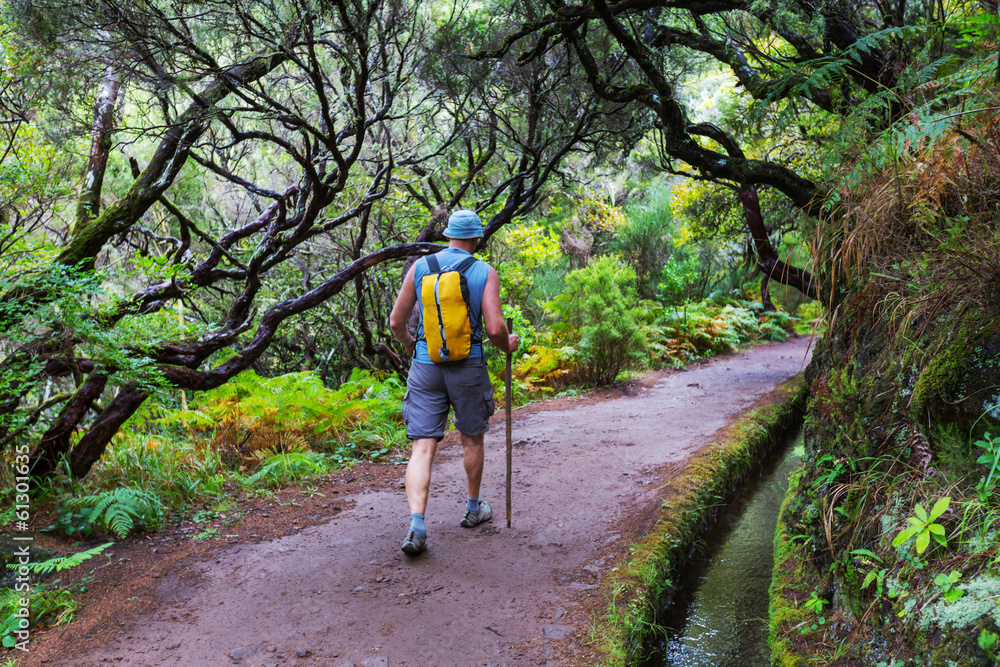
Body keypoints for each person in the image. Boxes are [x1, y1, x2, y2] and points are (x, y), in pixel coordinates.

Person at [389, 210, 519, 555]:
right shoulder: (484, 272)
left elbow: (395, 322)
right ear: (476, 239)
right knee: (471, 439)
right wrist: (507, 344)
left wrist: (412, 345)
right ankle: (473, 509)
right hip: (468, 366)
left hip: (424, 366)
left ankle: (417, 525)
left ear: (447, 235)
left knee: (422, 446)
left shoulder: (420, 268)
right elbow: (494, 329)